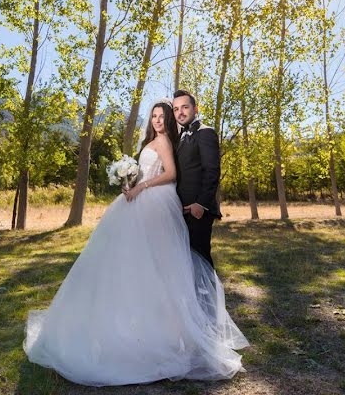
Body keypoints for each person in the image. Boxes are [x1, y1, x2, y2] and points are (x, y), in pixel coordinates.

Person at [23, 99, 248, 387]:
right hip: (141, 200)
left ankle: (175, 329)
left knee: (157, 264)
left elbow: (171, 174)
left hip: (156, 203)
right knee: (130, 262)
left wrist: (141, 185)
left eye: (161, 116)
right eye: (154, 115)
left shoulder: (167, 140)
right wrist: (129, 180)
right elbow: (150, 171)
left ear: (170, 119)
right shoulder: (150, 142)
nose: (157, 120)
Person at [172, 89, 221, 268]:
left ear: (196, 109)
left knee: (201, 261)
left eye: (185, 107)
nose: (180, 112)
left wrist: (201, 204)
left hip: (197, 210)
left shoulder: (205, 133)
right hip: (180, 209)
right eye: (176, 109)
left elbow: (212, 171)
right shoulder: (179, 137)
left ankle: (208, 296)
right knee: (185, 263)